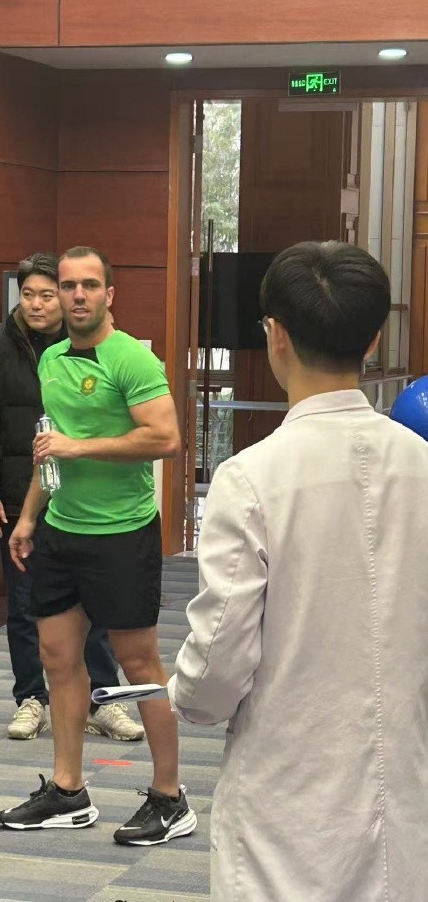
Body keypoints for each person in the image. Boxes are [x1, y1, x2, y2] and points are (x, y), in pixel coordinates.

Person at [168, 241, 428, 901]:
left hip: (288, 796)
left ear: (275, 335)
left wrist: (185, 694)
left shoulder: (251, 478)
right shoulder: (421, 465)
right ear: (374, 339)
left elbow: (217, 667)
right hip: (406, 781)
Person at [0, 246, 196, 846]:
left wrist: (77, 448)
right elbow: (50, 449)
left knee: (139, 667)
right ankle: (68, 792)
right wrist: (28, 517)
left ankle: (171, 798)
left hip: (122, 534)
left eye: (89, 285)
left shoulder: (130, 357)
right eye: (68, 286)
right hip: (62, 531)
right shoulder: (51, 359)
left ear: (110, 294)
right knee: (58, 658)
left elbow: (166, 439)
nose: (77, 295)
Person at [0, 252, 143, 742]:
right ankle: (30, 698)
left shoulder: (88, 347)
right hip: (19, 496)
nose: (38, 304)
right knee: (24, 605)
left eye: (47, 294)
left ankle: (102, 701)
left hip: (82, 498)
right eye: (29, 295)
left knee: (94, 605)